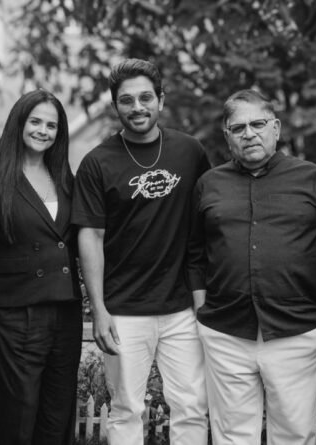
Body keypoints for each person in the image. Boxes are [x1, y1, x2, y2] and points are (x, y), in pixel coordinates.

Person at [72, 59, 209, 444]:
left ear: (160, 100)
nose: (137, 107)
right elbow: (90, 237)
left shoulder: (190, 152)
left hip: (182, 308)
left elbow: (208, 222)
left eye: (146, 98)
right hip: (123, 311)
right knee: (126, 409)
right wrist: (99, 310)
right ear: (115, 106)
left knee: (192, 406)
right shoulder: (97, 163)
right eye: (127, 100)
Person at [187, 89, 316, 444]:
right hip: (225, 331)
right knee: (232, 437)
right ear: (227, 136)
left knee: (294, 435)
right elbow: (195, 253)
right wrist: (201, 310)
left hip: (297, 330)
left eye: (258, 124)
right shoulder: (209, 184)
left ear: (276, 128)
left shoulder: (313, 178)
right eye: (238, 128)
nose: (249, 134)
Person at [0, 89, 82, 445]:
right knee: (14, 415)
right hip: (13, 314)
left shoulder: (66, 180)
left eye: (51, 125)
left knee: (57, 414)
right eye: (35, 121)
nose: (42, 131)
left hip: (65, 311)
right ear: (19, 123)